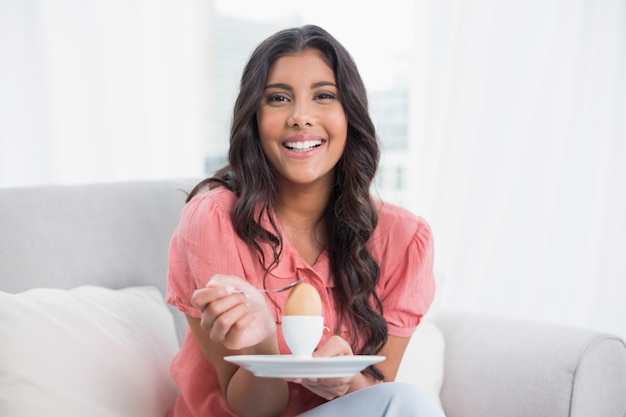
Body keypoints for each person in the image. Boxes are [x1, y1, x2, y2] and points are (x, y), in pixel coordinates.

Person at [165, 24, 443, 417]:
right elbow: (254, 410)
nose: (300, 117)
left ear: (350, 114)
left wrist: (345, 379)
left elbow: (378, 398)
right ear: (255, 119)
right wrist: (261, 340)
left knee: (405, 402)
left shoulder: (403, 240)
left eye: (323, 96)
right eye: (278, 98)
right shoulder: (214, 222)